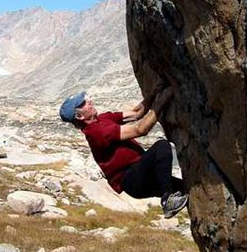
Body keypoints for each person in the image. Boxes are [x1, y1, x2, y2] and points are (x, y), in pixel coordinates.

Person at [59, 88, 188, 218]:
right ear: (79, 116)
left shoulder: (102, 119)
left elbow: (136, 113)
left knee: (186, 188)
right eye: (83, 104)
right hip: (131, 179)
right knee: (161, 146)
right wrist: (162, 100)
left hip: (141, 172)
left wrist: (154, 92)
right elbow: (140, 129)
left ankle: (174, 199)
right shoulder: (96, 132)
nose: (89, 102)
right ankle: (168, 201)